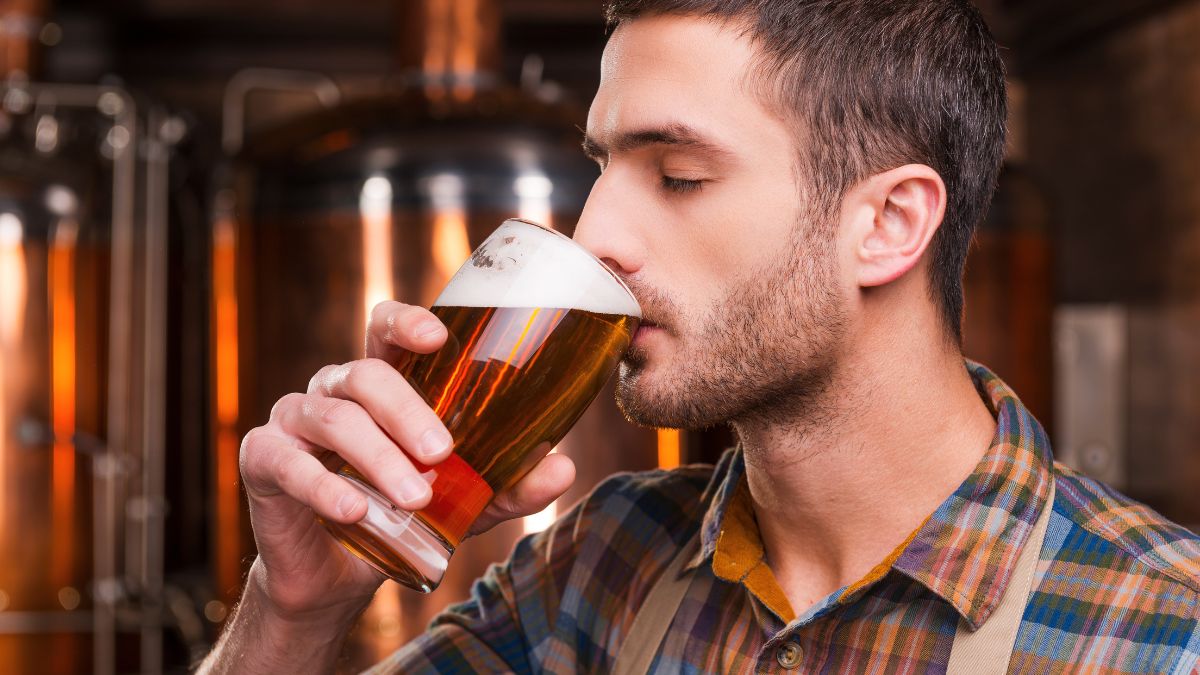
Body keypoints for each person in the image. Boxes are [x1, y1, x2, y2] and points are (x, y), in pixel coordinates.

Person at [200, 1, 1200, 672]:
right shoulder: (594, 569)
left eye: (678, 175)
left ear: (889, 223)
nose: (593, 237)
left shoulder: (1162, 633)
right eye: (602, 164)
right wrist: (293, 606)